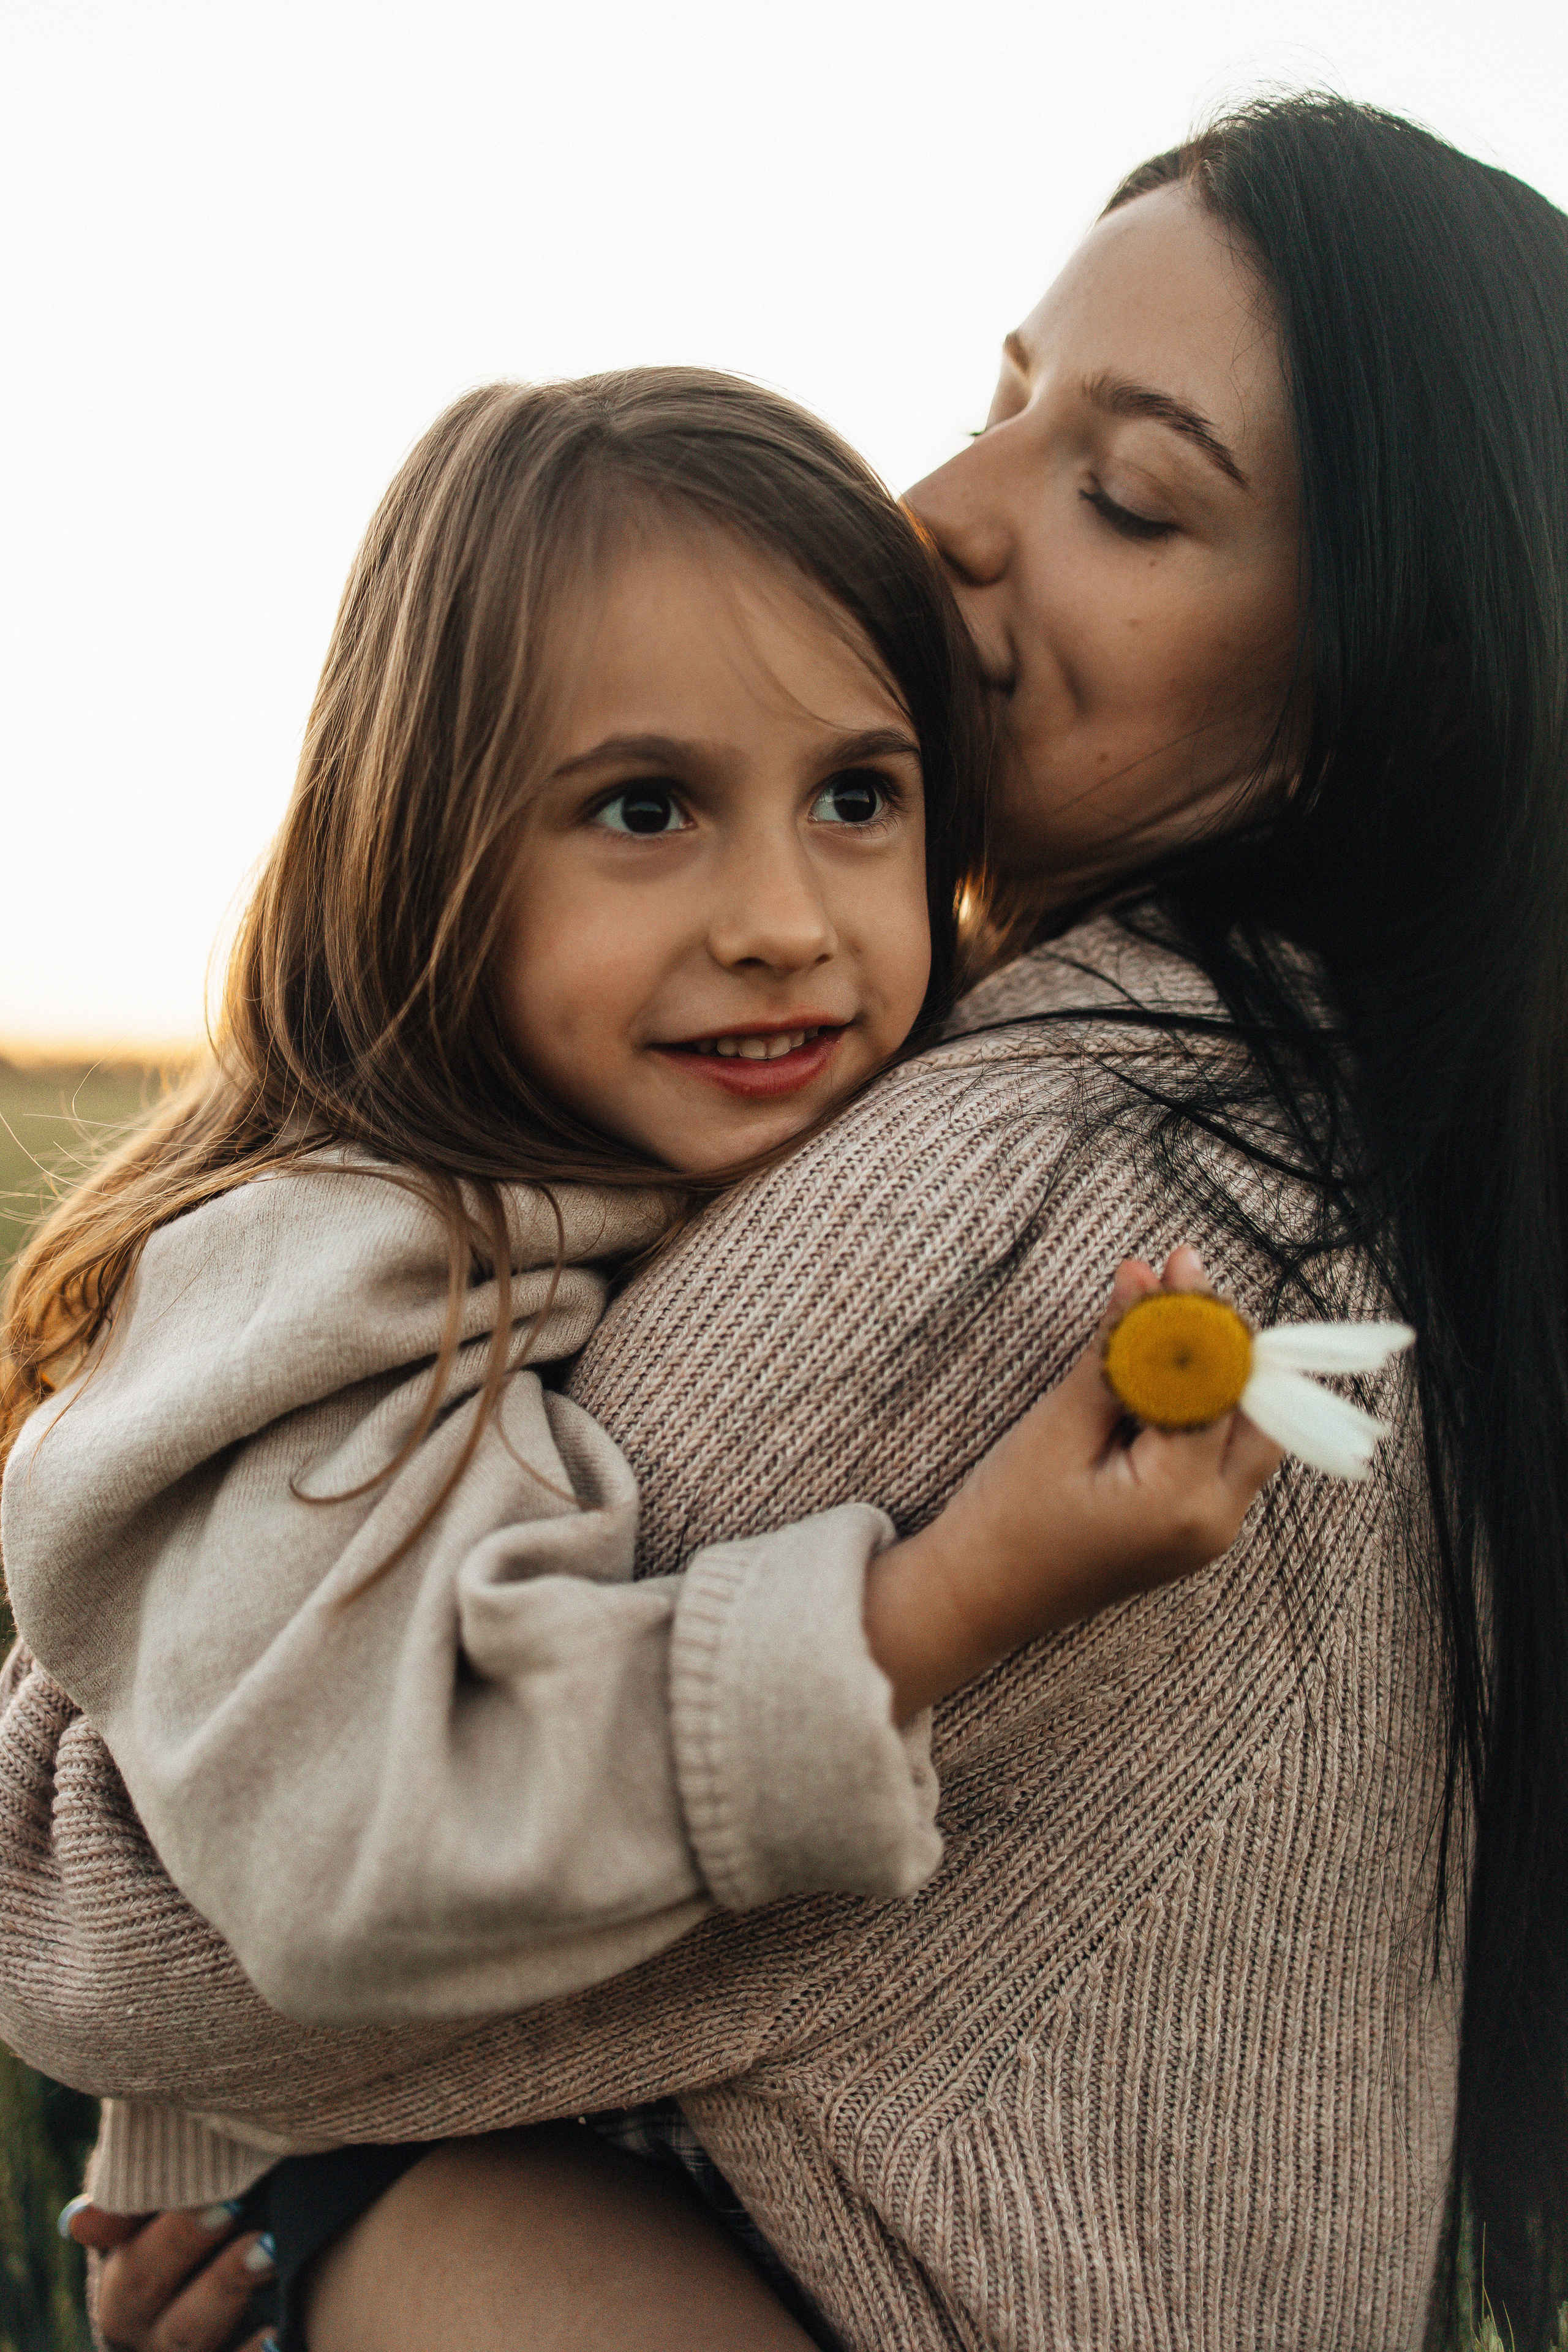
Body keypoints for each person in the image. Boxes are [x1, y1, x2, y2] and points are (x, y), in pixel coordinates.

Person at [10, 87, 1568, 2352]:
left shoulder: (1060, 1178)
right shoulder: (1355, 1147)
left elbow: (161, 1937)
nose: (935, 515)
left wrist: (315, 2212)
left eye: (1126, 495)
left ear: (1377, 690)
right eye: (1003, 411)